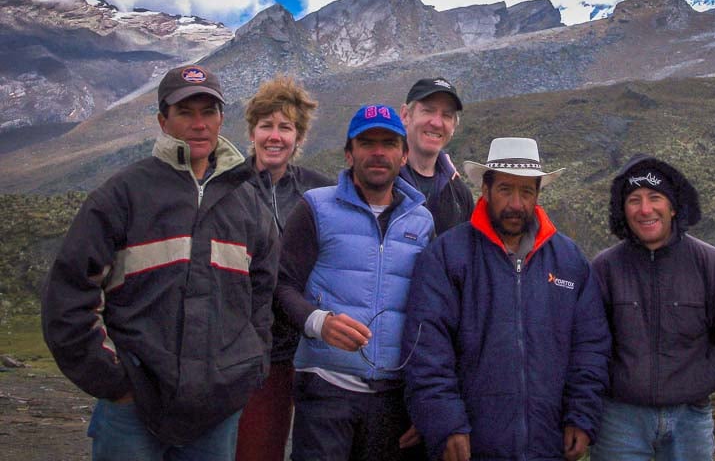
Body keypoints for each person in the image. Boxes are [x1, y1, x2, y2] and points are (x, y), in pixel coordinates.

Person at [41, 64, 280, 460]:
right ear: (162, 121)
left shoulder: (249, 203)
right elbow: (67, 297)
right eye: (185, 112)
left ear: (222, 118)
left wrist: (249, 367)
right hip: (132, 409)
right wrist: (115, 382)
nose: (198, 124)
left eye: (208, 112)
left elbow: (262, 296)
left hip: (216, 411)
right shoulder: (121, 195)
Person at [403, 137, 611, 461]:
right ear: (485, 191)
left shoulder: (569, 261)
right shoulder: (447, 256)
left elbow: (590, 346)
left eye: (526, 191)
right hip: (469, 446)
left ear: (538, 194)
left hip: (548, 445)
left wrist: (581, 415)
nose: (516, 203)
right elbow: (427, 348)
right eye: (505, 190)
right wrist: (445, 422)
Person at [274, 104, 434, 461]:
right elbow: (282, 285)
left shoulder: (422, 221)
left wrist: (423, 400)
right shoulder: (315, 207)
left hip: (393, 400)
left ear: (404, 155)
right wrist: (320, 323)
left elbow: (429, 314)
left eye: (389, 143)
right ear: (350, 153)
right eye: (367, 142)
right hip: (325, 391)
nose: (378, 152)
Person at [590, 154, 715, 461]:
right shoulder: (604, 269)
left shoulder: (710, 265)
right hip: (620, 420)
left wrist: (702, 383)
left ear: (673, 207)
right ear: (623, 210)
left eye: (655, 197)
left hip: (690, 419)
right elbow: (590, 344)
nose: (645, 209)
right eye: (634, 199)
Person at [235, 76, 333, 461]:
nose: (274, 136)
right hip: (254, 355)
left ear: (299, 136)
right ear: (252, 132)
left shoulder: (319, 192)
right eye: (266, 126)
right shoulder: (230, 187)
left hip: (312, 349)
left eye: (285, 127)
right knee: (258, 449)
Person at [399, 77, 473, 234]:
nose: (437, 123)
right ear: (406, 115)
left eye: (446, 115)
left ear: (453, 126)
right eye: (428, 111)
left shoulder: (459, 194)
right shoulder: (381, 180)